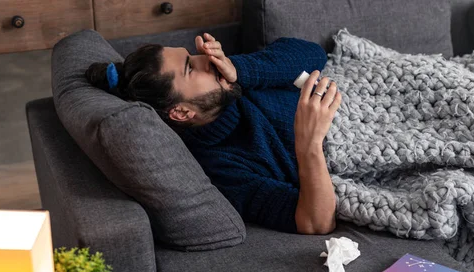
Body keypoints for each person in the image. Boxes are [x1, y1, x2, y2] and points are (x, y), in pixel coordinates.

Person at [86, 33, 341, 235]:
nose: (205, 59)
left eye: (191, 54)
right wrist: (310, 144)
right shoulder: (221, 168)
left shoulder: (232, 82)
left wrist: (240, 68)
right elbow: (315, 222)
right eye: (190, 68)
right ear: (181, 112)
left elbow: (313, 54)